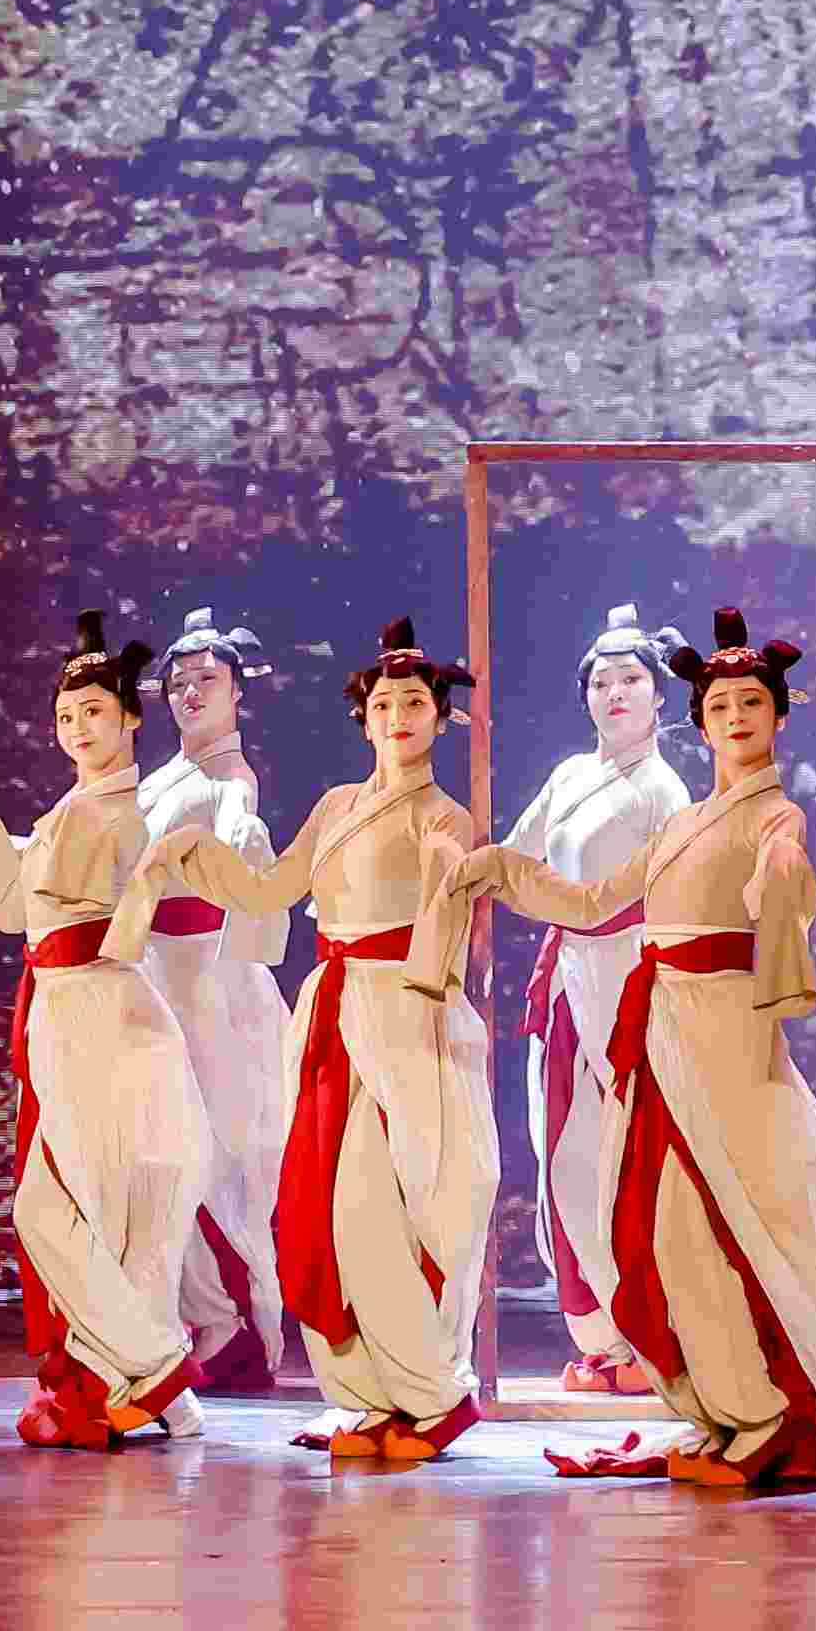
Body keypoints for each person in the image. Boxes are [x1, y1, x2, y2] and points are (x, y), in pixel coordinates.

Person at [449, 609, 816, 1485]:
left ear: (778, 715)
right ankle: (722, 1406)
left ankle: (773, 1411)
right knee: (673, 1231)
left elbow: (785, 880)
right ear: (701, 720)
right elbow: (589, 903)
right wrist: (500, 868)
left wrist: (782, 889)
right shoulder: (682, 825)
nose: (735, 717)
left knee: (742, 1219)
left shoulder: (774, 815)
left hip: (725, 1029)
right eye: (720, 705)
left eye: (752, 702)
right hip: (662, 1025)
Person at [138, 618, 496, 1460]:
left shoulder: (445, 817)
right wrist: (190, 856)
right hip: (334, 1012)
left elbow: (444, 935)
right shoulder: (338, 806)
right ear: (363, 718)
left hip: (408, 1017)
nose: (398, 717)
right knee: (330, 1211)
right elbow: (268, 891)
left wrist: (447, 874)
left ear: (440, 718)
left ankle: (431, 1394)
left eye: (416, 704)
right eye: (385, 704)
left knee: (401, 1207)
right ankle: (369, 1393)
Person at [0, 612, 208, 1450]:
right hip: (65, 1010)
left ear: (131, 718)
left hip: (104, 1014)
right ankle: (153, 1379)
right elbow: (21, 913)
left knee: (77, 1208)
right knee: (73, 1209)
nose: (78, 728)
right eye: (67, 716)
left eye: (95, 713)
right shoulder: (73, 809)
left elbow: (61, 911)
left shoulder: (122, 816)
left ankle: (154, 1374)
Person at [505, 606, 694, 1393]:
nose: (615, 693)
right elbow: (515, 861)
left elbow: (678, 897)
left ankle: (651, 1332)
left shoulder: (665, 789)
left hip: (633, 978)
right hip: (568, 976)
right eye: (602, 682)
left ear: (658, 695)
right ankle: (602, 1338)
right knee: (564, 1152)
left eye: (631, 680)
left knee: (629, 1156)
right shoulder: (568, 777)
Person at [141, 606, 291, 1392]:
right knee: (163, 1147)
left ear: (238, 691)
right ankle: (190, 1317)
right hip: (152, 970)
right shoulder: (160, 778)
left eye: (207, 679)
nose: (191, 692)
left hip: (206, 978)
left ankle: (233, 1323)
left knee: (218, 1152)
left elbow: (236, 824)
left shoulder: (233, 778)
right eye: (178, 682)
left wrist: (237, 843)